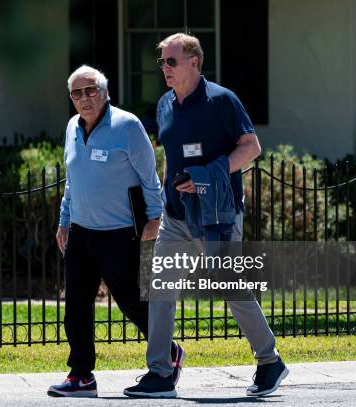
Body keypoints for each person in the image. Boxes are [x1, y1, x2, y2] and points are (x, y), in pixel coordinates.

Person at [124, 33, 289, 398]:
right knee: (160, 289)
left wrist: (210, 173)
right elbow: (171, 157)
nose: (164, 68)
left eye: (171, 61)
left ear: (194, 62)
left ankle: (269, 360)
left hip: (217, 214)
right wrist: (163, 202)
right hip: (177, 216)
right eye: (162, 62)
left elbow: (252, 148)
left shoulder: (222, 100)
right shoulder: (165, 105)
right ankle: (161, 372)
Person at [47, 65, 185, 398]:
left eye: (91, 90)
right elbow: (73, 179)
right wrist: (64, 220)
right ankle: (81, 375)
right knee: (76, 306)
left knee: (132, 302)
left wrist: (155, 219)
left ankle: (168, 353)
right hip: (80, 232)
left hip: (120, 232)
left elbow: (149, 178)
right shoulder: (71, 127)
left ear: (105, 92)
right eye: (77, 93)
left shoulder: (127, 126)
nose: (85, 98)